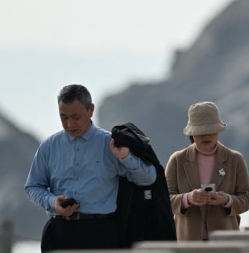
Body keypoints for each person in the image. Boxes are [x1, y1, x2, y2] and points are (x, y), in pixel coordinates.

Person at [25, 84, 157, 252]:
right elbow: (32, 186)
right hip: (57, 232)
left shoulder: (110, 143)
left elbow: (149, 178)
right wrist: (53, 202)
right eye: (63, 117)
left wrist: (125, 157)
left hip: (100, 232)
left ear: (91, 110)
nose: (69, 123)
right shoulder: (48, 146)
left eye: (75, 116)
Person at [165, 101, 249, 240]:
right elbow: (164, 201)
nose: (207, 136)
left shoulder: (235, 159)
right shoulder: (177, 160)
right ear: (192, 133)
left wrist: (227, 200)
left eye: (211, 131)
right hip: (188, 241)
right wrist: (188, 198)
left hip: (225, 241)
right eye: (201, 132)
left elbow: (246, 200)